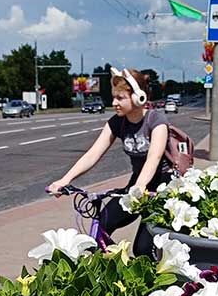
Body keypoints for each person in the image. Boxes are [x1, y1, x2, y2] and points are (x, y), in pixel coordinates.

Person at [47, 67, 171, 255]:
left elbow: (153, 158)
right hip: (137, 184)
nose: (114, 103)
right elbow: (93, 154)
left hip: (161, 187)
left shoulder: (156, 120)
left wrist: (139, 188)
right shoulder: (117, 122)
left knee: (143, 249)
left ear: (139, 97)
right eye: (114, 97)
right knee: (102, 225)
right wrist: (65, 180)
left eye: (120, 98)